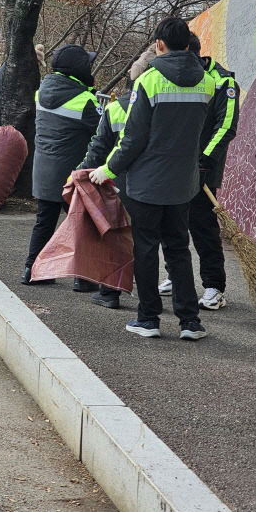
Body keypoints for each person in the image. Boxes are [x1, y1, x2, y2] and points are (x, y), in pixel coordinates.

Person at [89, 17, 215, 340]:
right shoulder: (206, 82)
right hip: (183, 184)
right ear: (187, 44)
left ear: (159, 44)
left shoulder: (149, 80)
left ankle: (148, 319)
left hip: (146, 184)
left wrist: (108, 169)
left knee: (145, 249)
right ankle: (190, 322)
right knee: (179, 249)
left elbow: (133, 139)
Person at [158, 32, 240, 310]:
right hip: (174, 165)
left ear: (190, 54)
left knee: (202, 225)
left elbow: (226, 126)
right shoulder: (174, 77)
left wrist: (205, 159)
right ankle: (176, 276)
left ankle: (214, 286)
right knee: (171, 223)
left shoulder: (223, 82)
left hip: (204, 167)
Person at [78, 46, 156, 308]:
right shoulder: (166, 107)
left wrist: (80, 172)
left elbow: (98, 149)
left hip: (117, 182)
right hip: (155, 183)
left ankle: (110, 292)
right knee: (150, 242)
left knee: (115, 239)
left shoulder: (115, 108)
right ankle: (152, 297)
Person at [22, 44, 101, 285]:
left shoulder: (42, 92)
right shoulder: (85, 99)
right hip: (71, 174)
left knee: (44, 221)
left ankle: (33, 272)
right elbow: (101, 132)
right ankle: (83, 279)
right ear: (79, 70)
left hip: (43, 170)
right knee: (82, 224)